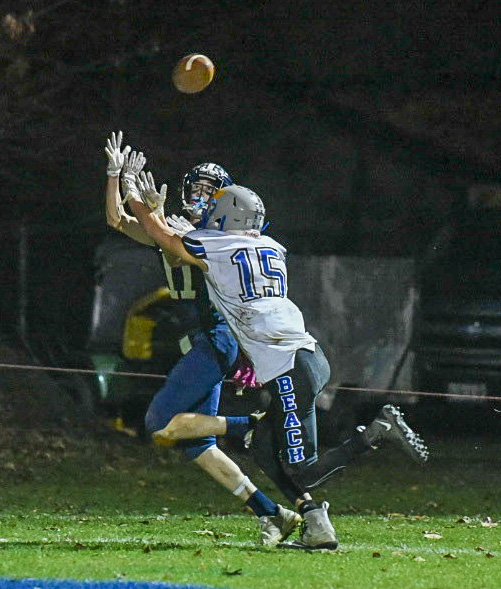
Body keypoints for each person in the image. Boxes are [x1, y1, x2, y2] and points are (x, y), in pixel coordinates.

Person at [124, 172, 430, 549]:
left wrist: (137, 199)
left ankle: (376, 433)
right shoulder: (271, 245)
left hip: (287, 368)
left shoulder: (216, 245)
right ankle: (316, 530)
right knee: (266, 448)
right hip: (310, 358)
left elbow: (164, 238)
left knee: (306, 471)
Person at [104, 131, 302, 548]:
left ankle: (254, 426)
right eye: (195, 187)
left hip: (216, 337)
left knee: (160, 425)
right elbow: (118, 221)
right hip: (199, 339)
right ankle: (273, 514)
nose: (200, 196)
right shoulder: (176, 228)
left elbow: (175, 251)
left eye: (210, 191)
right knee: (197, 445)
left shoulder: (214, 239)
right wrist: (114, 177)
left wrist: (153, 217)